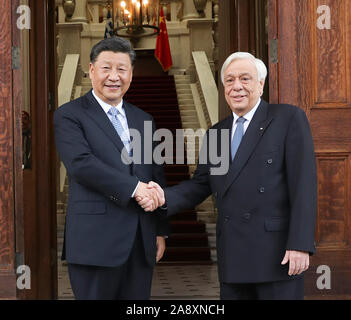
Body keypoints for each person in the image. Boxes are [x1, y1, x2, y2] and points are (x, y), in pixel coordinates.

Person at [137, 52, 317, 300]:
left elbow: (303, 187)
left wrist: (300, 244)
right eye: (230, 80)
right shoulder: (216, 133)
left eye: (245, 78)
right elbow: (201, 185)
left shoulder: (287, 119)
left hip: (278, 255)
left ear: (261, 84)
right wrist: (162, 197)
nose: (237, 87)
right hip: (233, 256)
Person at [54, 37, 169, 300]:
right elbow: (81, 164)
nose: (114, 77)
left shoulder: (144, 119)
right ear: (92, 70)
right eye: (106, 68)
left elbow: (155, 175)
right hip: (94, 242)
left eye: (122, 69)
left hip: (141, 241)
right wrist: (134, 188)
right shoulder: (70, 115)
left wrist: (160, 229)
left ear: (131, 73)